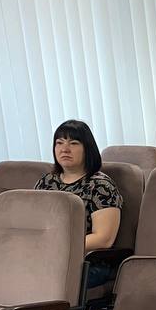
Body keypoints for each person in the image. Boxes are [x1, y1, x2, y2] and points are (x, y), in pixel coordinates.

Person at [34, 119, 121, 288]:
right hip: (45, 257)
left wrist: (59, 246)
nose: (64, 149)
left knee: (36, 281)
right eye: (59, 143)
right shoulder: (46, 182)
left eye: (73, 143)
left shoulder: (101, 186)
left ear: (87, 149)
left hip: (86, 262)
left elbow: (103, 239)